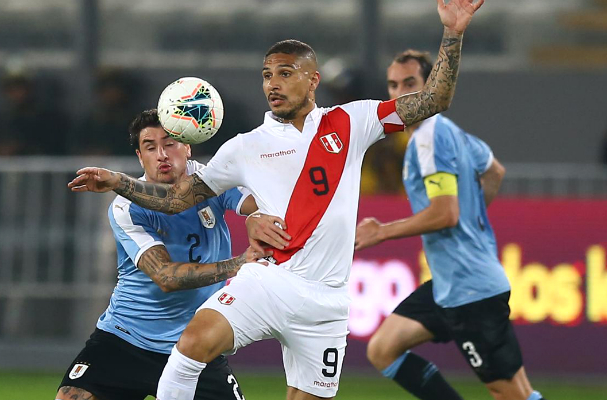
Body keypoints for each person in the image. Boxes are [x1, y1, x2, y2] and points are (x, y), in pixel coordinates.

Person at [68, 2, 484, 399]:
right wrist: (118, 181)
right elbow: (177, 200)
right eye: (267, 75)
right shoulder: (244, 147)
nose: (273, 84)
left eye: (285, 73)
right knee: (192, 346)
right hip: (269, 282)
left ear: (313, 80)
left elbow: (434, 100)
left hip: (328, 304)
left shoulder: (354, 121)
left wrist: (453, 32)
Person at [354, 50, 545, 400]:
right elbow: (494, 171)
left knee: (512, 394)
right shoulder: (449, 132)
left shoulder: (428, 137)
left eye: (410, 84)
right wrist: (472, 217)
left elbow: (445, 214)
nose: (400, 94)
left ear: (431, 86)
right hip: (447, 284)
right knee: (383, 348)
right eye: (393, 85)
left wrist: (381, 231)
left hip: (470, 290)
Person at [56, 109, 264, 400]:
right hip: (126, 338)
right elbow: (166, 277)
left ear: (188, 146)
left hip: (193, 344)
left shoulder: (213, 180)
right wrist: (238, 264)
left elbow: (263, 203)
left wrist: (259, 215)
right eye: (150, 147)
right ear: (140, 157)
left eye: (170, 143)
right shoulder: (127, 208)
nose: (162, 155)